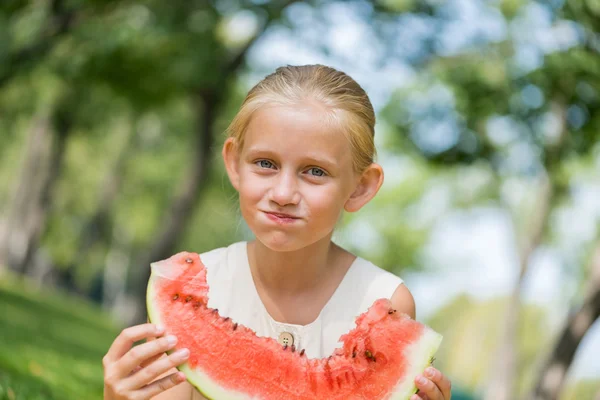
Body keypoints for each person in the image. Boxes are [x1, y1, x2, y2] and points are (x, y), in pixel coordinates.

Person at [103, 64, 452, 400]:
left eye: (314, 171)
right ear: (235, 163)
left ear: (360, 187)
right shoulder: (193, 292)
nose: (283, 194)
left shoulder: (383, 299)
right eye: (266, 164)